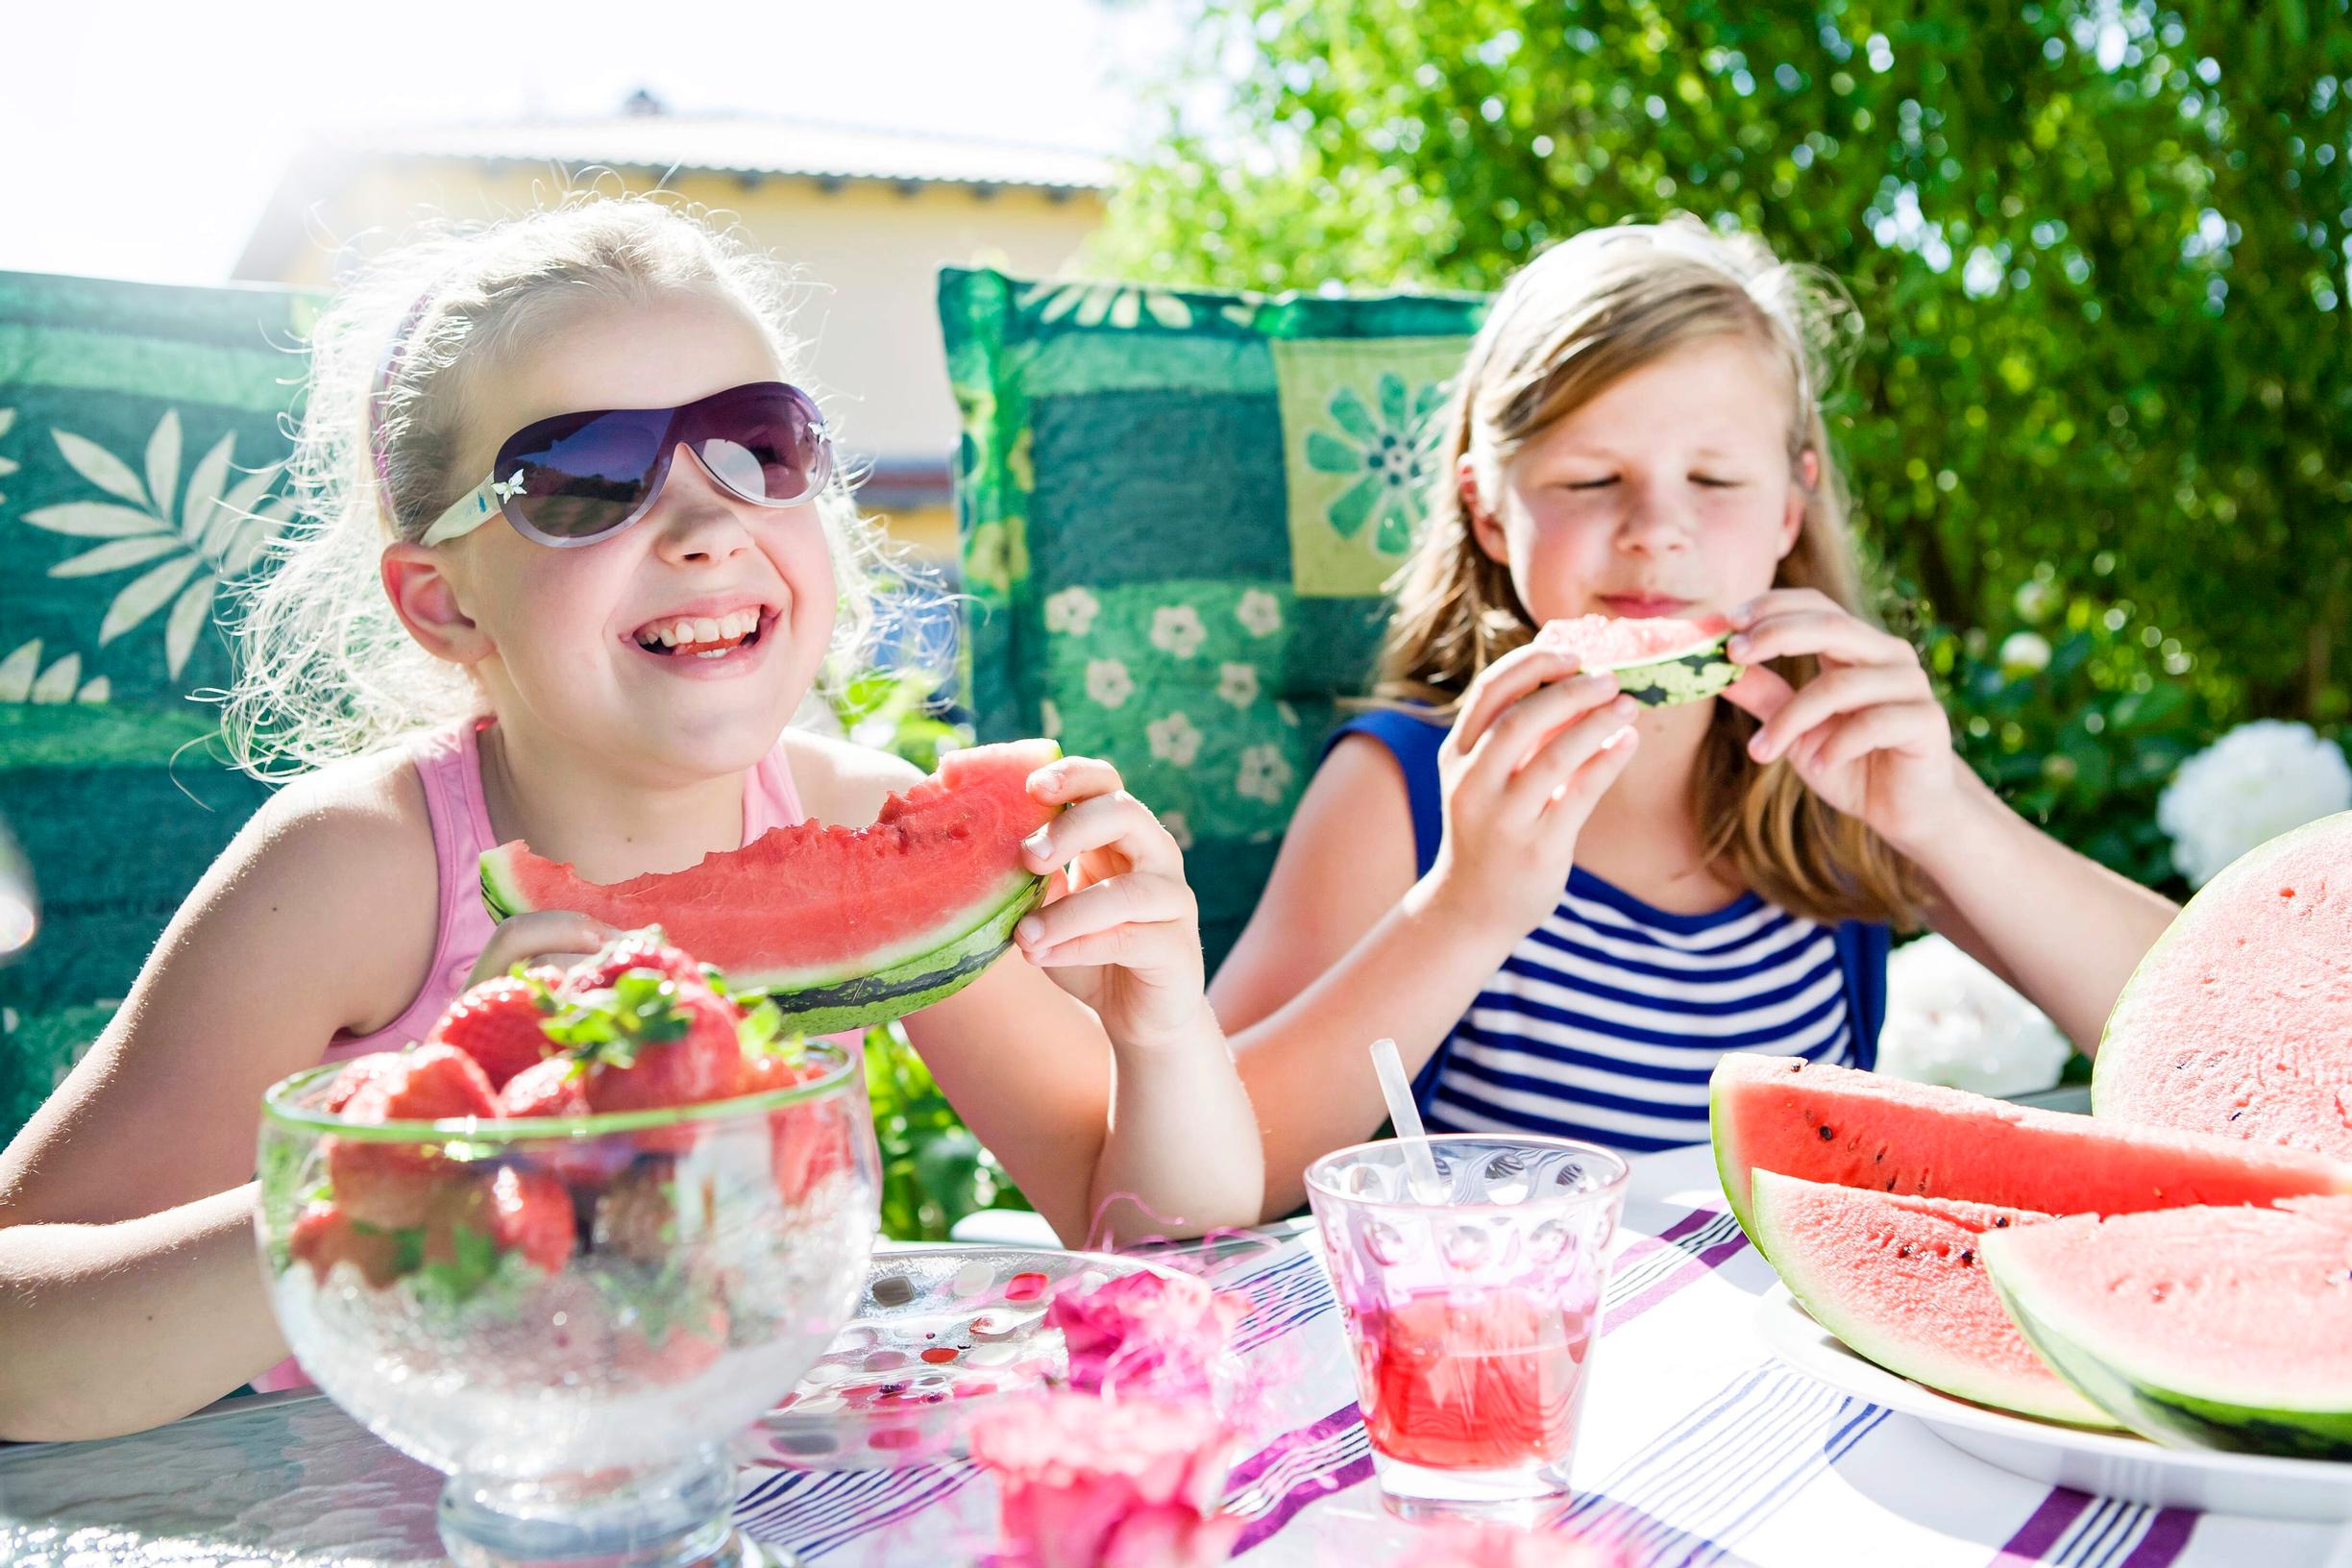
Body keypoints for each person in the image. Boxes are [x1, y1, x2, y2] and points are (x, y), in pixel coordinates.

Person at [0, 198, 1261, 1440]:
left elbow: (1149, 1246)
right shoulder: (356, 871)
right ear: (443, 602)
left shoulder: (861, 816)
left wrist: (1162, 1030)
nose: (708, 526)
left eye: (760, 447)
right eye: (588, 477)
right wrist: (407, 1174)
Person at [1213, 218, 2176, 1216]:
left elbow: (2200, 1042)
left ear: (1790, 512)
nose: (1656, 530)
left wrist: (1947, 819)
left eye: (1713, 480)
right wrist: (1461, 909)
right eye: (1592, 480)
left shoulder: (1840, 770)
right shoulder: (1408, 787)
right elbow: (1203, 1174)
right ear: (1490, 510)